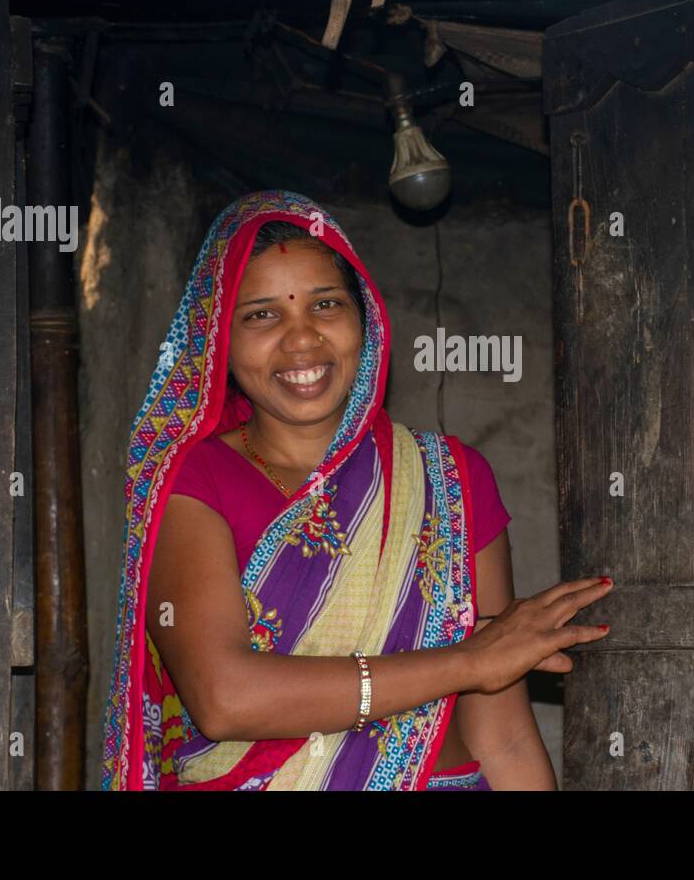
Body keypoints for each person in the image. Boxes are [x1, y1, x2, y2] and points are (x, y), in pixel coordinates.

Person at [100, 189, 612, 791]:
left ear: (364, 316)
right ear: (216, 339)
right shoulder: (193, 479)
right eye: (262, 314)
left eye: (325, 305)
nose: (301, 339)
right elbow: (225, 698)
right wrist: (467, 660)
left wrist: (484, 666)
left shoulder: (448, 478)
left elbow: (502, 736)